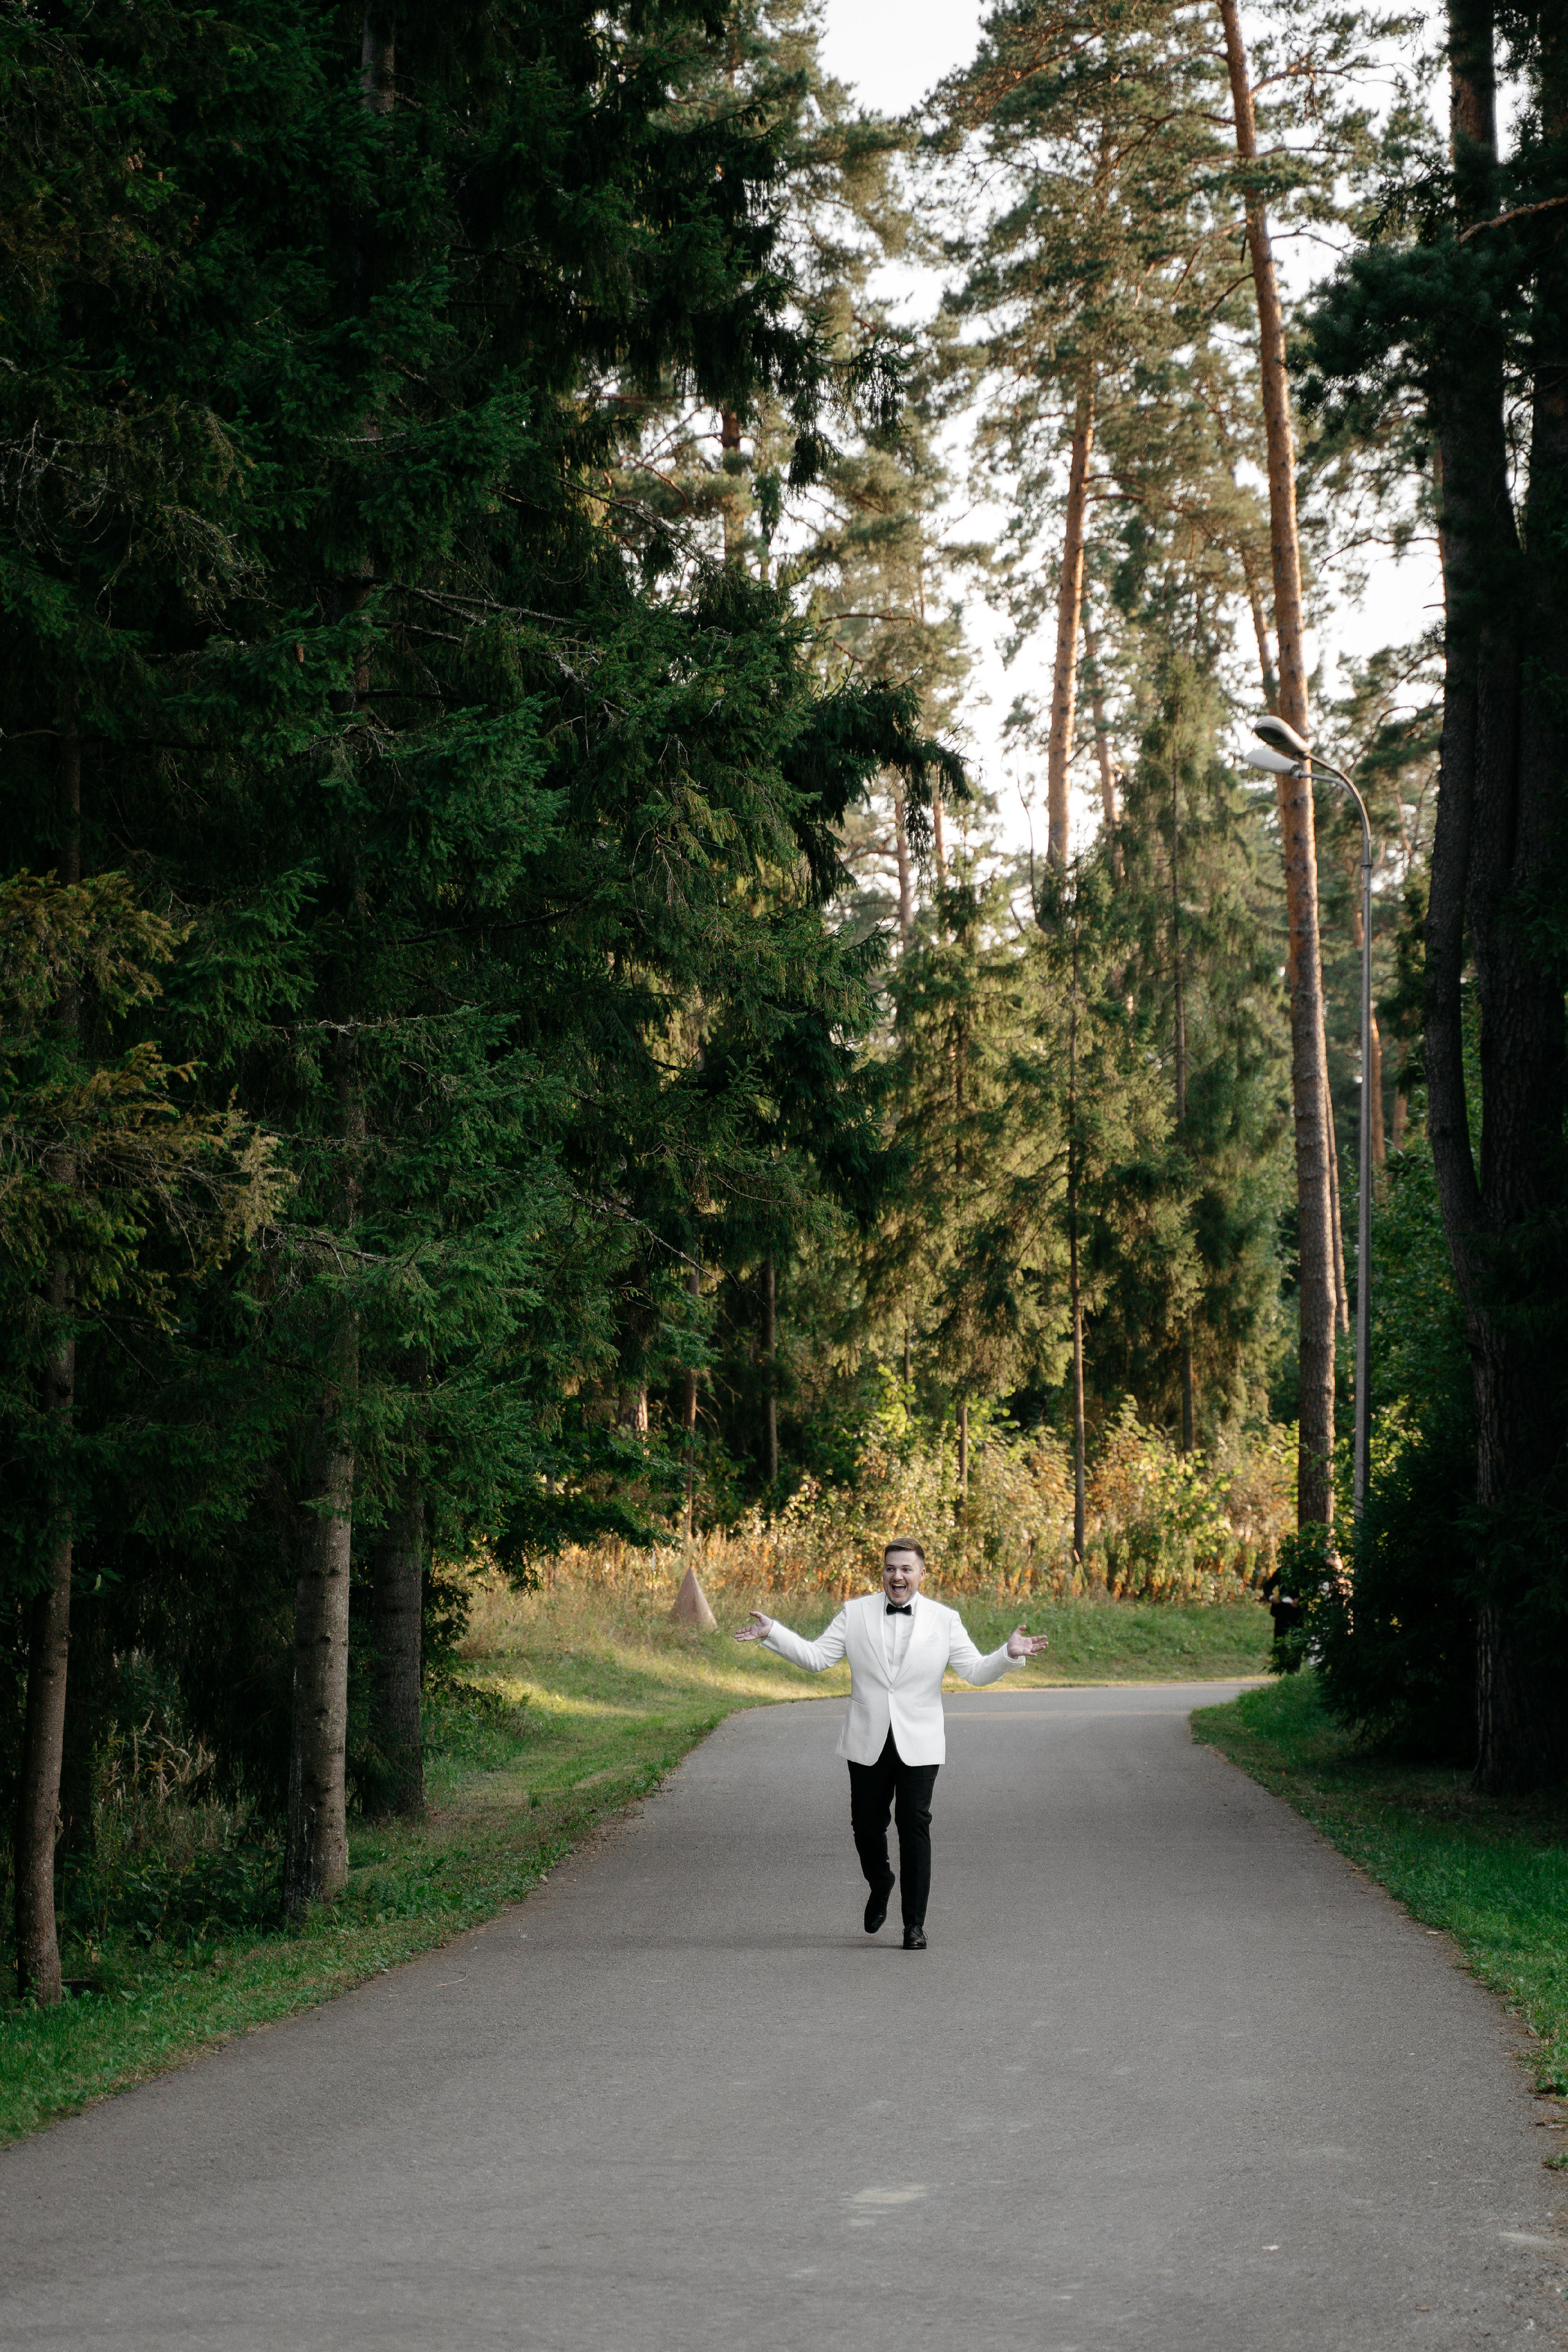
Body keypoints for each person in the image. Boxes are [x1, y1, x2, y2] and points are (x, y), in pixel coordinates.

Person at [736, 1539, 1049, 1950]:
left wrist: (1007, 1655)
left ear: (921, 1574)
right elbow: (816, 1658)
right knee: (866, 1826)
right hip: (868, 1737)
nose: (897, 1576)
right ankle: (880, 1880)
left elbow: (973, 1671)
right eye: (889, 1569)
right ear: (882, 1572)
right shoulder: (855, 1613)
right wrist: (772, 1632)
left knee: (914, 1824)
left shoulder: (944, 1619)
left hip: (919, 1741)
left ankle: (913, 1925)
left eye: (905, 1569)